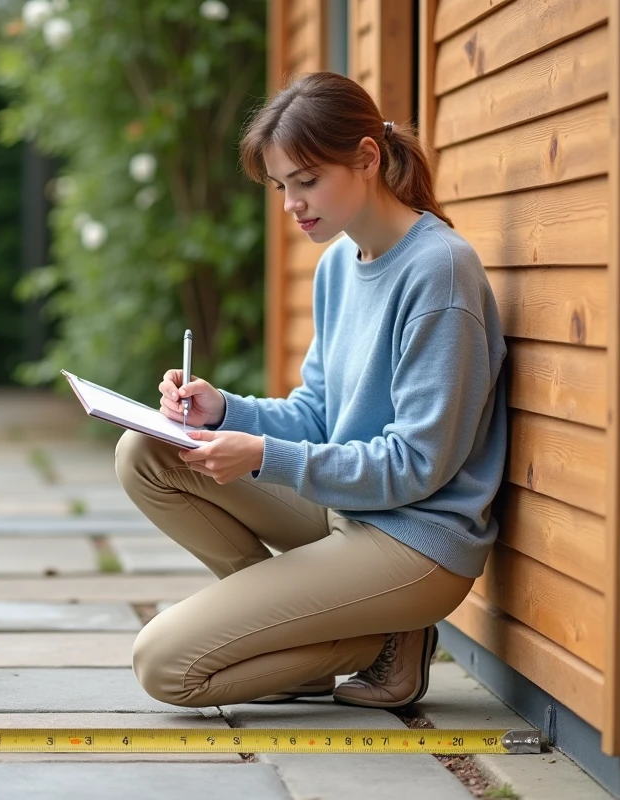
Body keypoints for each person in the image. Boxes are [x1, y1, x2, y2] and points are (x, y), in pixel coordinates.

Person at [115, 71, 508, 710]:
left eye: (308, 180)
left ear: (367, 158)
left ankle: (385, 638)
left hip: (414, 541)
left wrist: (265, 456)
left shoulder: (440, 272)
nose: (293, 203)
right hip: (348, 510)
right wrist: (224, 412)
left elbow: (417, 466)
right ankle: (294, 648)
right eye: (281, 187)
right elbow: (318, 413)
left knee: (165, 667)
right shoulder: (337, 266)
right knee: (146, 452)